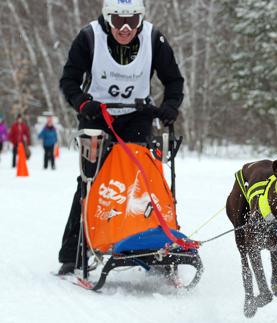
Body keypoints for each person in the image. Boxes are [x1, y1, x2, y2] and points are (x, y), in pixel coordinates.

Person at [57, 0, 184, 275]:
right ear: (107, 18)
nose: (125, 28)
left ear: (140, 19)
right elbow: (69, 80)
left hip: (138, 115)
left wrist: (170, 106)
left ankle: (152, 244)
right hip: (96, 115)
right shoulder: (89, 37)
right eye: (117, 20)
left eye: (132, 20)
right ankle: (72, 253)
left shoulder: (153, 38)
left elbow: (174, 80)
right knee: (91, 181)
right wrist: (82, 103)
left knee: (142, 177)